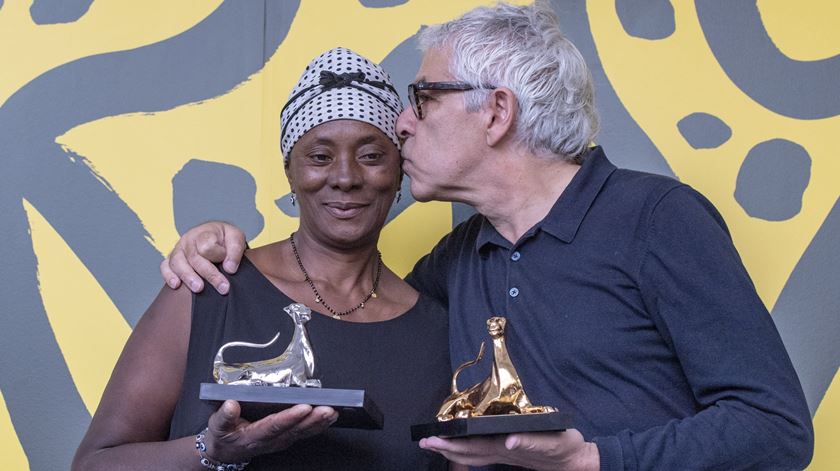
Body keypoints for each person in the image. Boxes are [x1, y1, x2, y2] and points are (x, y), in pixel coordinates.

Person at [160, 3, 814, 470]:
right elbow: (350, 304)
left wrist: (590, 459)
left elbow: (776, 428)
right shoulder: (457, 259)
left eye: (424, 98)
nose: (403, 124)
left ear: (496, 111)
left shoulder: (657, 219)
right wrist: (222, 243)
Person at [73, 47, 451, 470]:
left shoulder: (438, 331)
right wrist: (212, 452)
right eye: (320, 156)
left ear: (398, 171)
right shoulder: (211, 288)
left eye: (371, 156)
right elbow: (95, 463)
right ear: (291, 171)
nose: (345, 177)